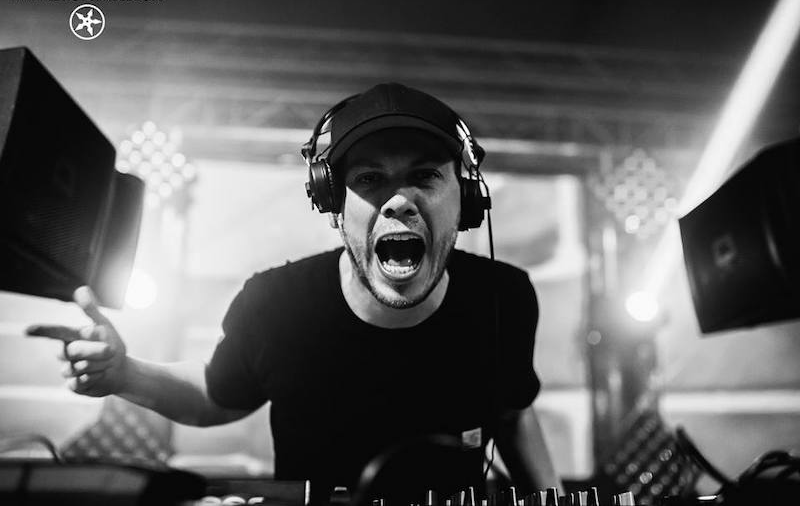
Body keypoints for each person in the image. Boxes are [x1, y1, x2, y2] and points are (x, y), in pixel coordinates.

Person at [27, 83, 561, 500]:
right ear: (334, 204)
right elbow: (215, 396)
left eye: (424, 176)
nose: (398, 201)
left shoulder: (505, 297)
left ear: (466, 200)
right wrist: (122, 374)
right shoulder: (275, 304)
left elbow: (514, 412)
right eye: (369, 179)